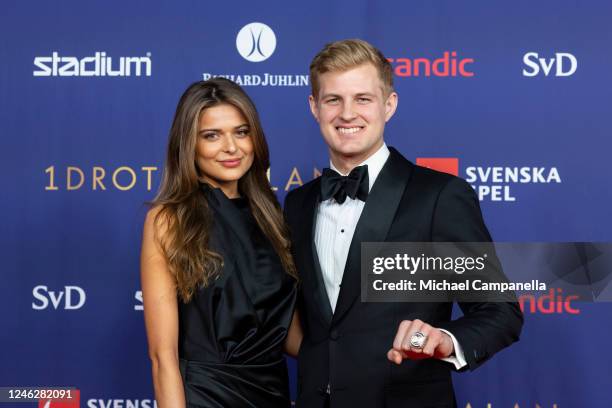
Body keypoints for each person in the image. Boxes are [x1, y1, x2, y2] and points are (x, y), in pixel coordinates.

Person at [283, 39, 523, 408]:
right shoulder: (297, 204)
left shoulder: (440, 197)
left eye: (363, 98)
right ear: (314, 107)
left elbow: (500, 312)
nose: (347, 113)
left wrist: (444, 339)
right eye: (333, 100)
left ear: (389, 105)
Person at [141, 78, 302, 407]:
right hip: (206, 395)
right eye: (211, 136)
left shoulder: (271, 217)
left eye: (241, 132)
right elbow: (163, 357)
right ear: (189, 144)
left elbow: (289, 337)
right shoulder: (170, 219)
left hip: (273, 392)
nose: (232, 147)